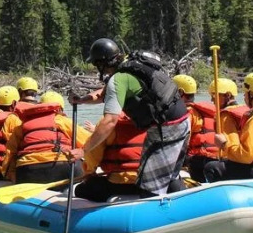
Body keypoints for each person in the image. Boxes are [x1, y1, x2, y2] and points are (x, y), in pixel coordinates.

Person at [69, 38, 190, 197]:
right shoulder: (131, 66)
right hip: (183, 121)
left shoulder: (118, 80)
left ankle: (158, 215)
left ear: (102, 64)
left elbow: (110, 121)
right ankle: (181, 202)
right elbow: (104, 94)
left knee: (149, 187)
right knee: (169, 177)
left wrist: (82, 150)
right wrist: (82, 100)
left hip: (166, 128)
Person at [1, 90, 90, 183]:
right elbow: (90, 142)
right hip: (61, 167)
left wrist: (9, 174)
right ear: (59, 109)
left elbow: (10, 152)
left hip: (27, 170)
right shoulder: (61, 120)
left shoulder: (23, 125)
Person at [74, 112, 148, 202]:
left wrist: (89, 171)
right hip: (151, 183)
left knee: (79, 190)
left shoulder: (108, 121)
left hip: (120, 184)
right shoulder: (157, 119)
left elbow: (92, 153)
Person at [173, 74, 218, 183]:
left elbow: (183, 142)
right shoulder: (209, 110)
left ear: (180, 93)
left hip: (198, 160)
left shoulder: (188, 113)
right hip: (215, 157)